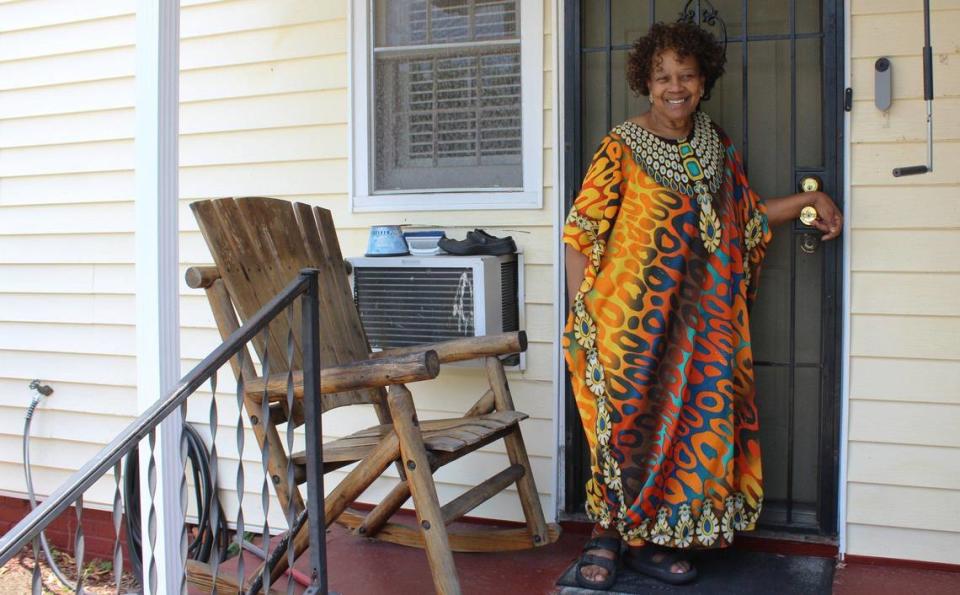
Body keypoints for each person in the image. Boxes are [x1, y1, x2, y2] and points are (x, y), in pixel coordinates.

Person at [563, 21, 842, 590]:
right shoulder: (620, 146)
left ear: (703, 81)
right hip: (627, 323)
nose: (675, 86)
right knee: (624, 429)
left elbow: (747, 218)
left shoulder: (716, 146)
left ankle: (656, 542)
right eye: (663, 76)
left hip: (704, 327)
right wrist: (583, 316)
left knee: (693, 431)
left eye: (686, 75)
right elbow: (581, 232)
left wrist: (811, 199)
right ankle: (609, 537)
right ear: (645, 81)